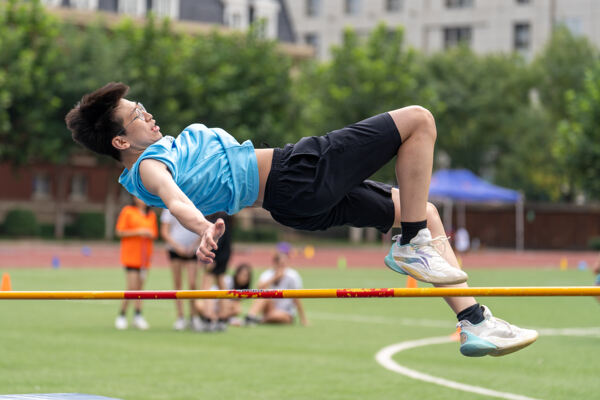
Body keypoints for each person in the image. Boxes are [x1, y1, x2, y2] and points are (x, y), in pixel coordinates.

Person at [65, 82, 537, 356]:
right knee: (419, 120)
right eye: (136, 115)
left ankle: (474, 321)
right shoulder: (150, 166)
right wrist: (202, 227)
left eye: (140, 106)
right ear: (121, 142)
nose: (147, 114)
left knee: (425, 211)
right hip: (294, 174)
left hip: (293, 202)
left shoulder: (152, 157)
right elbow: (175, 200)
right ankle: (411, 243)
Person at [114, 195, 158, 330]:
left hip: (144, 257)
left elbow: (154, 233)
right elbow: (120, 231)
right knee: (132, 287)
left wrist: (149, 234)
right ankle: (122, 315)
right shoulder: (128, 211)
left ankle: (138, 315)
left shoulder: (151, 215)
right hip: (131, 256)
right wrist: (138, 232)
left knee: (140, 288)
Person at [245, 244, 307, 326]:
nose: (283, 267)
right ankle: (250, 317)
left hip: (285, 311)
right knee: (263, 293)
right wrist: (274, 278)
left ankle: (259, 320)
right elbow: (259, 288)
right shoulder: (268, 274)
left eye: (284, 264)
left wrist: (303, 318)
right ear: (275, 263)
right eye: (280, 264)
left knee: (276, 316)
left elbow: (296, 298)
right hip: (270, 307)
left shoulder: (293, 276)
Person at [160, 208, 202, 331]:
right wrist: (177, 247)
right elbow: (165, 232)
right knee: (178, 283)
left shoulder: (196, 205)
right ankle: (180, 317)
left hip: (192, 250)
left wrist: (194, 246)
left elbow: (203, 228)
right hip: (175, 250)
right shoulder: (169, 208)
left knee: (193, 283)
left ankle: (194, 317)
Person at [194, 212, 234, 331]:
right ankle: (222, 319)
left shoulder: (217, 217)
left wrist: (211, 256)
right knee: (222, 285)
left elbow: (217, 239)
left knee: (206, 285)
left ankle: (208, 319)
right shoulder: (226, 215)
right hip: (225, 253)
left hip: (215, 255)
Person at [203, 263, 253, 330]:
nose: (244, 278)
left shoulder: (240, 287)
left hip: (220, 306)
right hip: (213, 302)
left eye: (247, 276)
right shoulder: (228, 281)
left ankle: (217, 318)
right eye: (243, 275)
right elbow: (220, 297)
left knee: (236, 308)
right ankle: (215, 318)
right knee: (200, 305)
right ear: (237, 274)